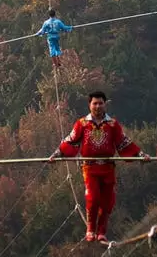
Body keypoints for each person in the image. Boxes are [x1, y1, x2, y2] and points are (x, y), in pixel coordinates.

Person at [49, 91, 149, 243]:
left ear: (105, 104)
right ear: (89, 105)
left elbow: (123, 142)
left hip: (108, 168)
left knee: (107, 201)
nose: (97, 106)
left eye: (100, 103)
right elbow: (70, 141)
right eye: (94, 103)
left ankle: (101, 231)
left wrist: (141, 154)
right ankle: (90, 229)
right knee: (92, 197)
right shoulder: (82, 123)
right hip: (90, 168)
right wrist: (56, 154)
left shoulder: (113, 124)